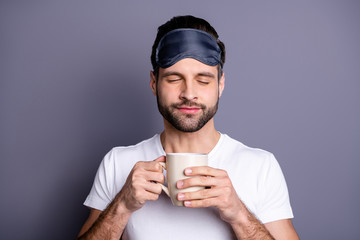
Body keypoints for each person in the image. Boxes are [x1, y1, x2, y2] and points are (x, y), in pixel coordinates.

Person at [77, 15, 299, 240]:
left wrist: (239, 214)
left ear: (220, 84)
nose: (189, 94)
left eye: (203, 80)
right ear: (154, 83)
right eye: (174, 79)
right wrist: (122, 205)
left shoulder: (260, 166)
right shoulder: (118, 163)